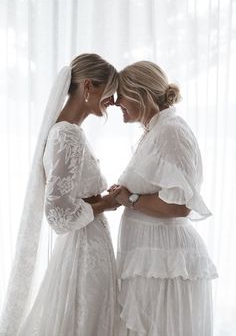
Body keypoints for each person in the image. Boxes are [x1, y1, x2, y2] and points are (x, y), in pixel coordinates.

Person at [0, 53, 120, 336]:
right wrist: (107, 202)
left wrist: (99, 199)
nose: (114, 101)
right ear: (89, 86)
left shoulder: (68, 131)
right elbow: (57, 212)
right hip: (84, 248)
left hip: (86, 244)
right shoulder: (67, 135)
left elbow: (70, 198)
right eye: (111, 91)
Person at [111, 61, 218, 336]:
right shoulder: (156, 129)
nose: (115, 101)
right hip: (152, 259)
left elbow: (181, 205)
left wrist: (130, 199)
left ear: (141, 93)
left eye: (121, 94)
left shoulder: (171, 131)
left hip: (166, 262)